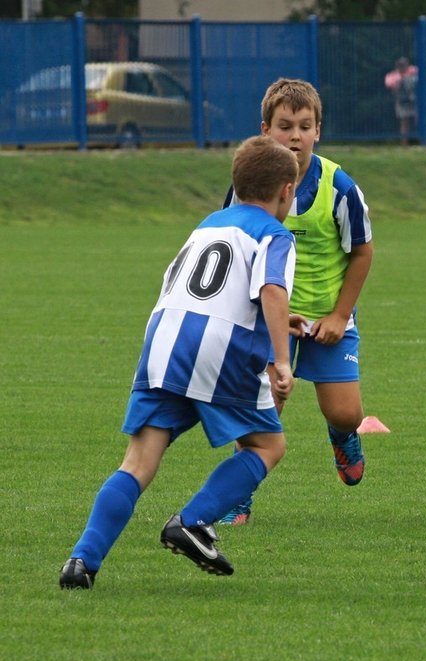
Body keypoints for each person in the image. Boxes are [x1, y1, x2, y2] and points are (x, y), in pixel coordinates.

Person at [58, 136, 301, 589]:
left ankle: (82, 561)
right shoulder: (275, 234)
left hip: (164, 343)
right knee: (267, 446)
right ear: (287, 190)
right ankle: (193, 521)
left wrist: (282, 321)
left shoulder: (207, 223)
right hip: (217, 349)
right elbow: (272, 289)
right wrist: (282, 360)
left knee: (137, 462)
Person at [218, 78, 374, 525]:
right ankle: (237, 498)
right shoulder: (248, 185)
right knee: (262, 408)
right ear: (265, 130)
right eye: (285, 126)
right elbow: (236, 247)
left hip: (328, 320)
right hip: (270, 319)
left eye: (305, 126)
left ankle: (342, 437)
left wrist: (341, 314)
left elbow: (362, 250)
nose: (295, 136)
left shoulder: (340, 187)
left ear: (318, 131)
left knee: (346, 412)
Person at [384, 57, 417, 146]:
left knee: (418, 119)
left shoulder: (413, 71)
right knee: (404, 121)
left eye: (404, 65)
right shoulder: (392, 76)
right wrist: (400, 81)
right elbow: (390, 86)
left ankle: (419, 140)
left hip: (415, 100)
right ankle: (404, 143)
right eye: (400, 65)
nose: (403, 67)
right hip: (402, 101)